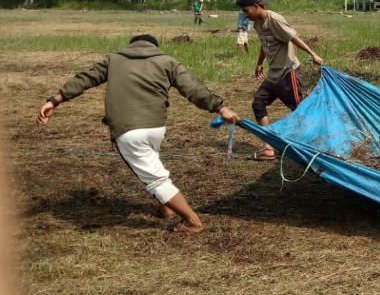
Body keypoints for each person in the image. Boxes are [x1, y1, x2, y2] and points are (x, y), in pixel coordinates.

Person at [35, 34, 240, 234]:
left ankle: (192, 221)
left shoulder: (113, 60)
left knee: (156, 179)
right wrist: (220, 107)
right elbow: (193, 89)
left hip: (128, 130)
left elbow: (85, 79)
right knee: (151, 164)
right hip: (156, 128)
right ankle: (166, 208)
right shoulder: (167, 61)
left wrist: (54, 100)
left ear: (131, 46)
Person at [237, 0, 324, 160]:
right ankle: (268, 147)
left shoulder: (275, 20)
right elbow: (264, 43)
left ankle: (315, 143)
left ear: (256, 6)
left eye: (247, 10)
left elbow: (293, 38)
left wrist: (313, 54)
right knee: (258, 103)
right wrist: (260, 63)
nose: (245, 14)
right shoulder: (257, 25)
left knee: (300, 109)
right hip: (273, 73)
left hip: (288, 71)